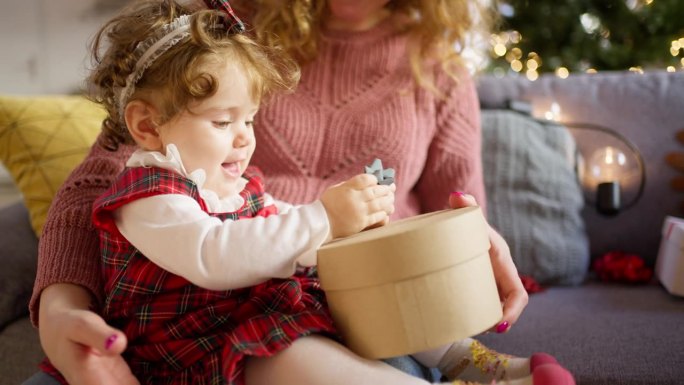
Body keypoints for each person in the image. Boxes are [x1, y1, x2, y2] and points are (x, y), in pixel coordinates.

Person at [25, 0, 574, 384]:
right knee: (297, 360)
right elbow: (123, 187)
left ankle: (482, 365)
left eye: (252, 120)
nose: (245, 139)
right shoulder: (211, 37)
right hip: (212, 331)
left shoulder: (437, 64)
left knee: (380, 299)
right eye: (224, 123)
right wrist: (60, 304)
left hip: (303, 286)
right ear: (148, 127)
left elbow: (451, 204)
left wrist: (449, 240)